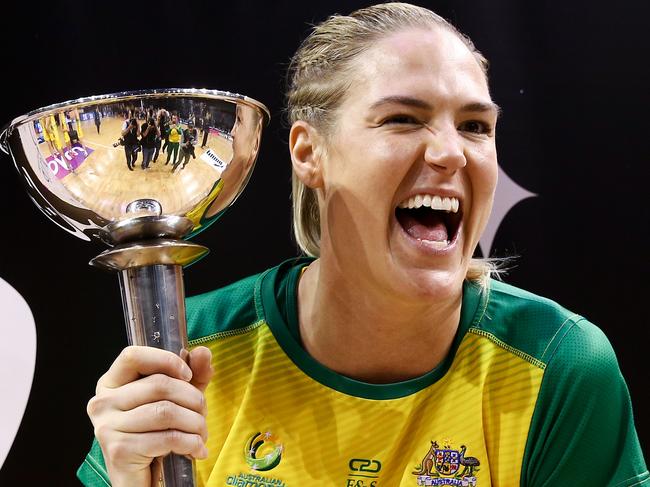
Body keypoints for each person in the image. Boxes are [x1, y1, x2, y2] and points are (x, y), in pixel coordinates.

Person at [78, 4, 648, 487]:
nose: (451, 153)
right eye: (403, 119)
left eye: (476, 126)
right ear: (309, 154)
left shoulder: (560, 366)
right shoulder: (188, 356)